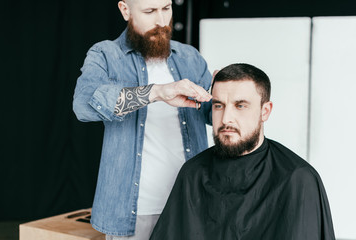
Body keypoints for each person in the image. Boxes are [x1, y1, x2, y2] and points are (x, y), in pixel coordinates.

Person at [72, 0, 213, 239]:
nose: (161, 21)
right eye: (149, 11)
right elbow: (83, 105)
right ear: (125, 10)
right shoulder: (106, 54)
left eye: (166, 8)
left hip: (191, 206)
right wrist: (157, 92)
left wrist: (227, 93)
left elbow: (210, 114)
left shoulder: (190, 57)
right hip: (132, 213)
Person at [150, 63, 336, 240]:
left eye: (240, 106)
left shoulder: (297, 178)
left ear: (265, 111)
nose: (226, 119)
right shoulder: (193, 173)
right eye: (218, 105)